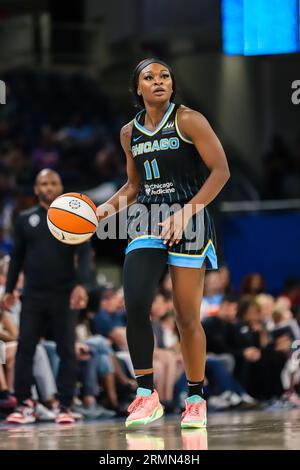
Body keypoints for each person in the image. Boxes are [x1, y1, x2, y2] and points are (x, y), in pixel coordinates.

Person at [96, 58, 230, 428]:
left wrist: (186, 213)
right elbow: (133, 188)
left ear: (172, 85)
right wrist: (99, 213)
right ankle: (145, 395)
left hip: (190, 218)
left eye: (165, 76)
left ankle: (196, 398)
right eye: (149, 77)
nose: (158, 82)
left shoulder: (189, 120)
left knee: (186, 317)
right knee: (135, 302)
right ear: (137, 88)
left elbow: (221, 172)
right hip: (147, 219)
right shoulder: (129, 133)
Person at [2, 169, 90, 424]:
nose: (49, 187)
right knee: (25, 349)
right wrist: (9, 291)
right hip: (33, 294)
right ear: (36, 189)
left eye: (53, 183)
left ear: (61, 186)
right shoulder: (25, 219)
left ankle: (64, 405)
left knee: (67, 350)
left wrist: (81, 285)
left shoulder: (75, 218)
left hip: (65, 294)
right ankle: (23, 404)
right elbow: (17, 257)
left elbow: (84, 255)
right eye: (44, 183)